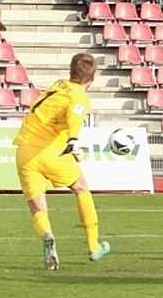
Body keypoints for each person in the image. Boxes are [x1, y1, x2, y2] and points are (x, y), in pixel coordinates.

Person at [13, 53, 110, 271]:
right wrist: (73, 140)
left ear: (71, 71)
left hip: (25, 151)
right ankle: (94, 246)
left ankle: (47, 235)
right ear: (93, 77)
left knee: (37, 206)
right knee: (81, 188)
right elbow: (75, 114)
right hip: (51, 152)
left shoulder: (57, 85)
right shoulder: (79, 97)